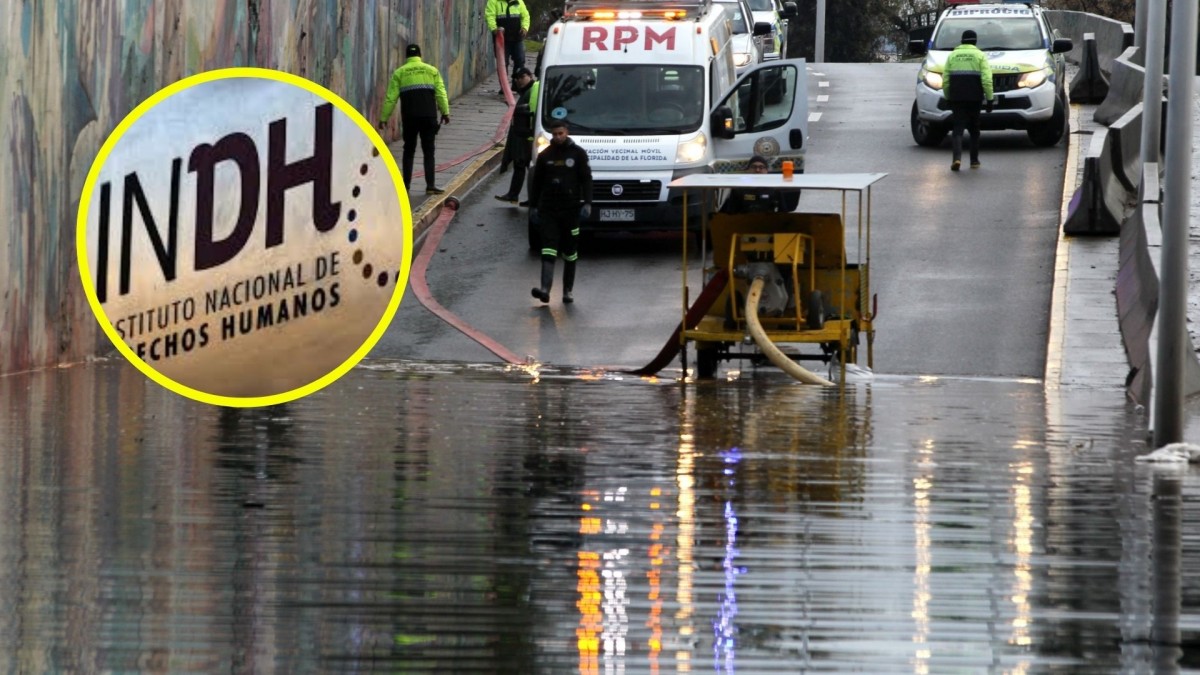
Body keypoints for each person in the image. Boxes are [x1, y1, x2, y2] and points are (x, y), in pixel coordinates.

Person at [528, 119, 592, 304]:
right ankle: (545, 290)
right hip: (549, 210)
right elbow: (537, 182)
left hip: (571, 210)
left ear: (567, 132)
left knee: (570, 253)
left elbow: (586, 179)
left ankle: (567, 291)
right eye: (555, 134)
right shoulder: (545, 155)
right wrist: (533, 207)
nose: (557, 137)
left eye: (561, 133)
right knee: (548, 249)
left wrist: (587, 203)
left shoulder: (578, 154)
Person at [379, 43, 452, 194]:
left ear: (407, 57)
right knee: (429, 151)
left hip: (410, 117)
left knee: (409, 151)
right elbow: (440, 93)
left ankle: (405, 186)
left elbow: (390, 98)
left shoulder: (400, 73)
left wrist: (384, 118)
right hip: (428, 117)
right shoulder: (432, 71)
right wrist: (445, 112)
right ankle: (430, 186)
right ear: (420, 55)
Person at [942, 29, 994, 171]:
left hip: (957, 97)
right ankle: (974, 161)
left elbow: (945, 80)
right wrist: (989, 99)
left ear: (961, 41)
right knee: (974, 130)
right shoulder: (980, 55)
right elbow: (987, 80)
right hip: (975, 97)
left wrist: (947, 97)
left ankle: (957, 159)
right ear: (975, 41)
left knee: (958, 129)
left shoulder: (953, 55)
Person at [496, 67, 539, 203]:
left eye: (522, 77)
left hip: (528, 135)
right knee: (522, 165)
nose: (519, 80)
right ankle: (520, 196)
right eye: (517, 78)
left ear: (530, 76)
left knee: (522, 164)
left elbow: (532, 111)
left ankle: (520, 196)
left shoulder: (533, 89)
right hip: (523, 134)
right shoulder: (526, 91)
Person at [720, 155, 786, 214]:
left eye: (761, 167)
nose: (757, 170)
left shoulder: (774, 189)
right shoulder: (738, 189)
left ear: (766, 171)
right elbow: (731, 214)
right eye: (754, 167)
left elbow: (783, 213)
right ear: (748, 170)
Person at [486, 0, 531, 82]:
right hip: (501, 40)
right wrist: (494, 29)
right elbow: (490, 16)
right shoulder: (493, 1)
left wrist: (524, 28)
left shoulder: (518, 1)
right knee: (502, 63)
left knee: (520, 61)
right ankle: (504, 87)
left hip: (517, 38)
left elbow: (525, 16)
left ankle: (516, 84)